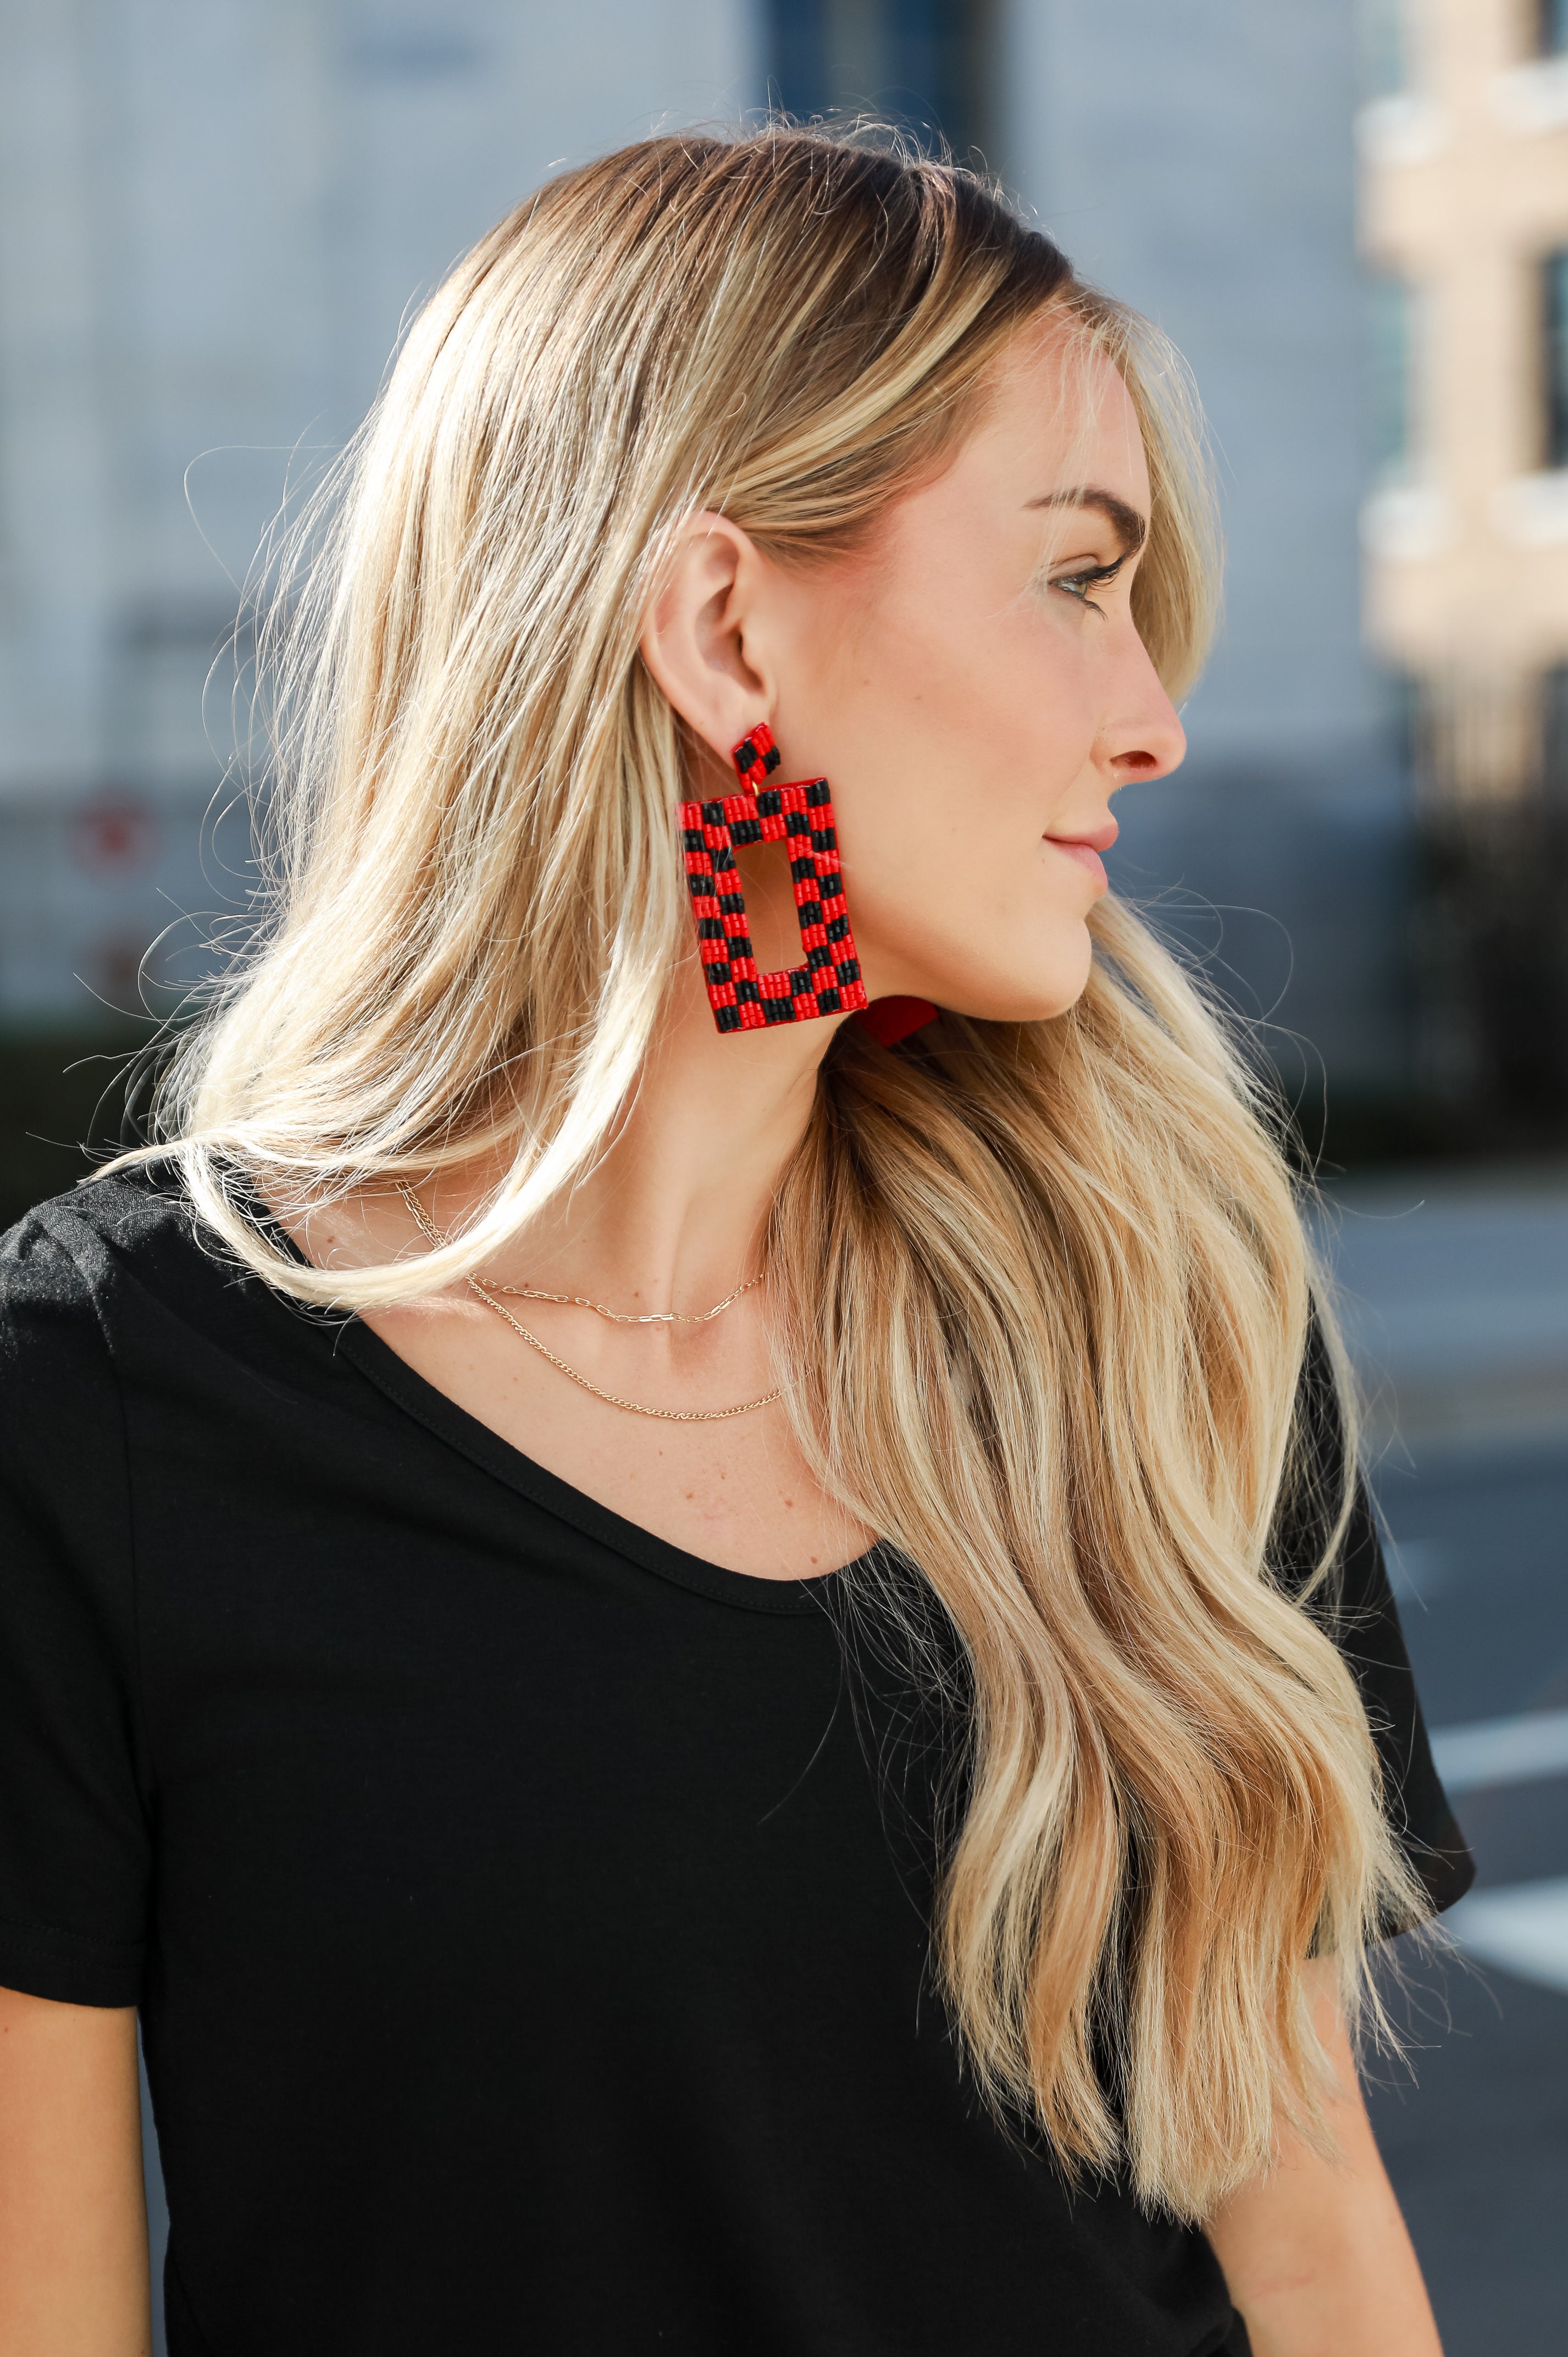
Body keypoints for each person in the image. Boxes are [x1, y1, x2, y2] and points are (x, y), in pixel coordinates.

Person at [0, 131, 1471, 2356]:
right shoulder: (102, 1403)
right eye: (1075, 576)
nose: (1148, 717)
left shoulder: (1155, 1312)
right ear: (721, 630)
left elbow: (1311, 2243)